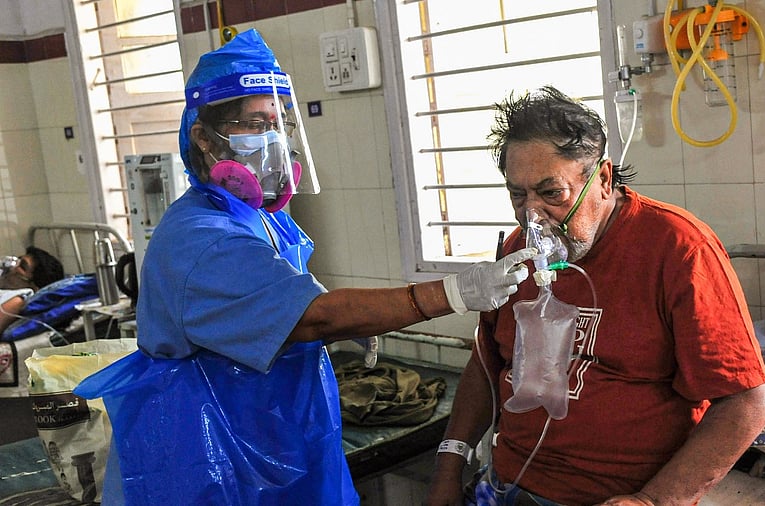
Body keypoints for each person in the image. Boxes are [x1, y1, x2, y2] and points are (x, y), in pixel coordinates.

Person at [73, 29, 534, 506]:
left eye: (280, 123)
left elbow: (285, 299)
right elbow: (313, 315)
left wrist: (342, 320)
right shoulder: (202, 237)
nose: (274, 140)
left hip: (265, 438)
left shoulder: (253, 214)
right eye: (256, 124)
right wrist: (455, 293)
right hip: (209, 456)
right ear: (203, 138)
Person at [426, 86, 765, 506]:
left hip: (620, 495)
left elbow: (746, 401)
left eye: (552, 193)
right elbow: (485, 365)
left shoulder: (678, 250)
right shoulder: (517, 253)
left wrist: (652, 501)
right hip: (506, 483)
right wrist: (448, 467)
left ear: (604, 179)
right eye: (518, 195)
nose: (533, 217)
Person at [0, 246, 64, 333]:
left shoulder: (17, 300)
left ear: (34, 286)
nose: (11, 265)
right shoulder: (5, 285)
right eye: (18, 260)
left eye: (22, 266)